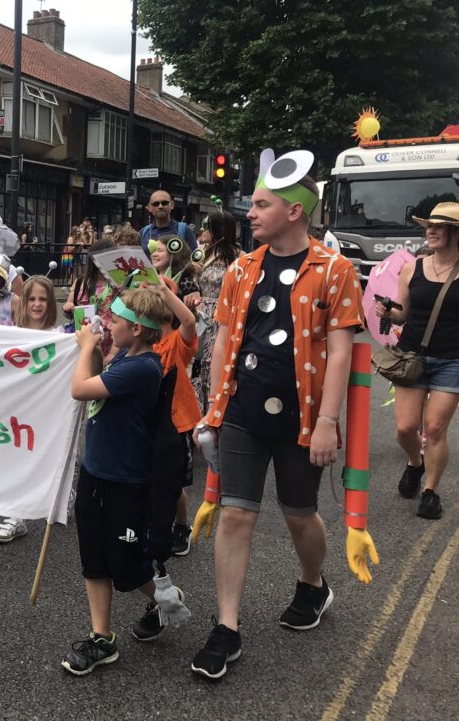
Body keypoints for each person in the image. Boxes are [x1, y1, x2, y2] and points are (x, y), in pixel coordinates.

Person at [189, 156, 363, 681]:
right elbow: (222, 342)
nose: (250, 213)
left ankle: (313, 583)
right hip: (242, 412)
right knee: (236, 514)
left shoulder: (336, 271)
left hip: (304, 418)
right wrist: (213, 409)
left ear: (295, 210)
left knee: (298, 514)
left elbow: (339, 351)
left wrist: (329, 421)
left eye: (261, 204)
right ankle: (227, 627)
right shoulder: (242, 268)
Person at [62, 287, 167, 676]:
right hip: (96, 471)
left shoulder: (143, 367)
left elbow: (80, 388)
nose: (109, 324)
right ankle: (101, 638)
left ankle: (165, 598)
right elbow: (97, 368)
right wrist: (91, 344)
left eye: (116, 321)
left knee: (125, 565)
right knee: (94, 556)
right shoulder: (125, 355)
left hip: (126, 478)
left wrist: (88, 344)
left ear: (138, 329)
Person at [375, 202, 459, 519]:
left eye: (439, 226)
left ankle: (431, 491)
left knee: (435, 428)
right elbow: (403, 314)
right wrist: (388, 311)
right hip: (411, 357)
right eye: (429, 226)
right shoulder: (413, 268)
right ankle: (415, 463)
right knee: (405, 428)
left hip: (452, 359)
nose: (431, 231)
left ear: (456, 232)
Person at [132, 279, 200, 641]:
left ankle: (180, 528)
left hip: (175, 430)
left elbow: (189, 323)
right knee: (151, 494)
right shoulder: (136, 348)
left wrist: (165, 293)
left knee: (173, 489)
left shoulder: (174, 343)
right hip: (145, 434)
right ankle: (155, 576)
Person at [0, 275, 62, 543]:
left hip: (46, 409)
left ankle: (62, 493)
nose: (36, 304)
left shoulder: (59, 337)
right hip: (17, 407)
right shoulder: (11, 334)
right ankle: (15, 516)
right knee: (14, 458)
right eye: (32, 299)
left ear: (50, 303)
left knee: (46, 459)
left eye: (43, 299)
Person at [192, 210, 241, 410]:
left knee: (215, 360)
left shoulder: (238, 256)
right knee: (200, 362)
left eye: (207, 225)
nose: (202, 230)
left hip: (222, 316)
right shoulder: (203, 253)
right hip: (202, 315)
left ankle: (216, 408)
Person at [63, 240, 118, 359]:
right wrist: (68, 307)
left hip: (111, 345)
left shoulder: (118, 284)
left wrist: (113, 353)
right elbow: (69, 306)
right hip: (83, 344)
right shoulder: (81, 282)